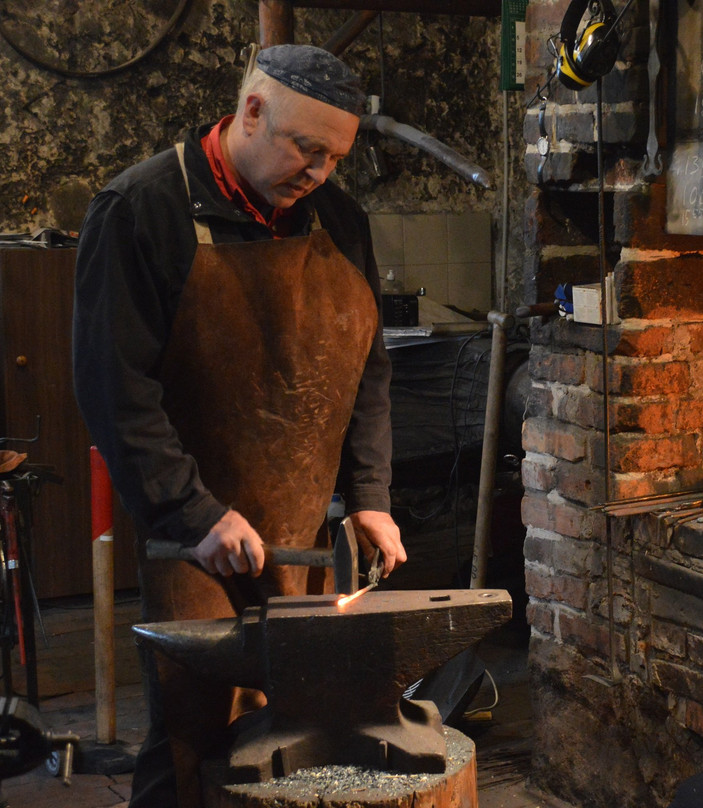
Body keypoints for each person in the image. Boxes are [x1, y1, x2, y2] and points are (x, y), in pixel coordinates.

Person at [72, 44, 407, 808]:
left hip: (311, 538)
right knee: (193, 741)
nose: (319, 172)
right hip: (194, 541)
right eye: (307, 148)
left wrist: (370, 495)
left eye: (335, 157)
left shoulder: (338, 220)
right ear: (250, 111)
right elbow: (112, 388)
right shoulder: (141, 210)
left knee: (297, 736)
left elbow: (368, 372)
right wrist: (194, 512)